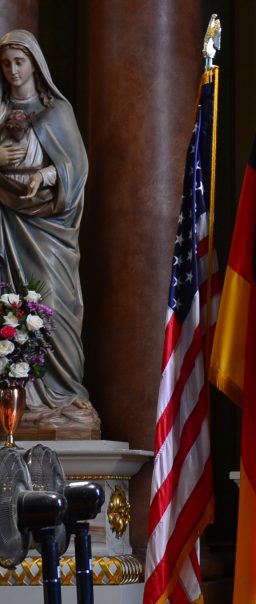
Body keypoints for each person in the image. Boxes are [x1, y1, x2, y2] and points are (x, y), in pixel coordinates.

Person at [0, 30, 97, 432]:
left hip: (49, 229)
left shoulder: (56, 111)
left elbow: (77, 167)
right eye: (5, 63)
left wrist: (45, 173)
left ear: (35, 65)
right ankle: (20, 401)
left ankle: (65, 394)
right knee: (14, 305)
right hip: (8, 224)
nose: (12, 70)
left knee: (55, 307)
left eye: (19, 62)